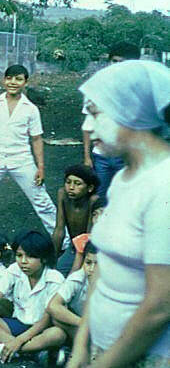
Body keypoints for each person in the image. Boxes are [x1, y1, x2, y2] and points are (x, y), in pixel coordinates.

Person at [67, 60, 170, 368]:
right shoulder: (124, 180)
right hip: (106, 349)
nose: (89, 125)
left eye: (96, 113)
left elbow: (160, 304)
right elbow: (105, 267)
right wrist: (82, 347)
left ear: (131, 112)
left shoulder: (163, 186)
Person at [0, 64, 60, 244]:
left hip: (21, 159)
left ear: (25, 82)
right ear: (4, 80)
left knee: (41, 200)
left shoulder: (30, 108)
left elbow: (36, 139)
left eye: (18, 79)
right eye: (10, 78)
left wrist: (40, 167)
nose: (13, 82)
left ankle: (61, 240)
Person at [0, 230, 66, 363]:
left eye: (30, 256)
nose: (23, 261)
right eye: (19, 255)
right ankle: (31, 354)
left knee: (57, 334)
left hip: (40, 328)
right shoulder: (14, 270)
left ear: (44, 258)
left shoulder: (54, 279)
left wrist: (19, 341)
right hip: (17, 323)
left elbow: (46, 319)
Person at [81, 41, 139, 199]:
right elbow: (88, 126)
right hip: (101, 156)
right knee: (98, 197)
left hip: (128, 156)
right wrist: (87, 157)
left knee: (126, 198)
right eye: (115, 61)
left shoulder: (140, 91)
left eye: (124, 63)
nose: (118, 66)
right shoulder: (95, 88)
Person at [42, 242, 99, 366]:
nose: (91, 269)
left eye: (98, 264)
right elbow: (53, 305)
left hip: (103, 331)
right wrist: (83, 323)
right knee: (57, 319)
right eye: (88, 263)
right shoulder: (78, 278)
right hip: (80, 327)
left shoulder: (114, 284)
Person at [51, 164, 99, 276]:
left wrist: (76, 269)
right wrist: (52, 260)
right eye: (68, 182)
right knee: (56, 274)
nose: (71, 187)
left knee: (77, 279)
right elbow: (59, 231)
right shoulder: (62, 194)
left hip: (90, 250)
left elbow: (88, 238)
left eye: (78, 184)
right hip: (74, 247)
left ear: (90, 188)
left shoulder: (93, 201)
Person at [67, 197, 105, 273]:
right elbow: (75, 270)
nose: (97, 219)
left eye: (103, 214)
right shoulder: (84, 240)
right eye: (95, 214)